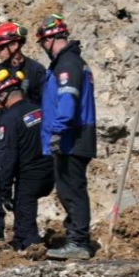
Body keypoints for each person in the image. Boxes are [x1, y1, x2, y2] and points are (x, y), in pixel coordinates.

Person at [35, 15, 97, 261]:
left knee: (72, 189)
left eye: (42, 44)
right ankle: (77, 239)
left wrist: (58, 131)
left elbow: (67, 101)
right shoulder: (70, 62)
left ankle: (79, 242)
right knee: (68, 188)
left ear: (50, 40)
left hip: (72, 136)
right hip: (73, 135)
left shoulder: (67, 63)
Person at [0, 23, 47, 243]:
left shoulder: (36, 71)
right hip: (3, 134)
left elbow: (46, 103)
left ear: (15, 44)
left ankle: (24, 233)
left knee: (25, 187)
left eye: (1, 47)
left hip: (29, 137)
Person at [0, 68, 54, 251]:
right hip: (50, 170)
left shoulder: (9, 119)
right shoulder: (39, 109)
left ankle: (31, 250)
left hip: (29, 176)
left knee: (25, 219)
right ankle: (18, 243)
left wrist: (5, 189)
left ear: (4, 95)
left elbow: (8, 156)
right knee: (21, 213)